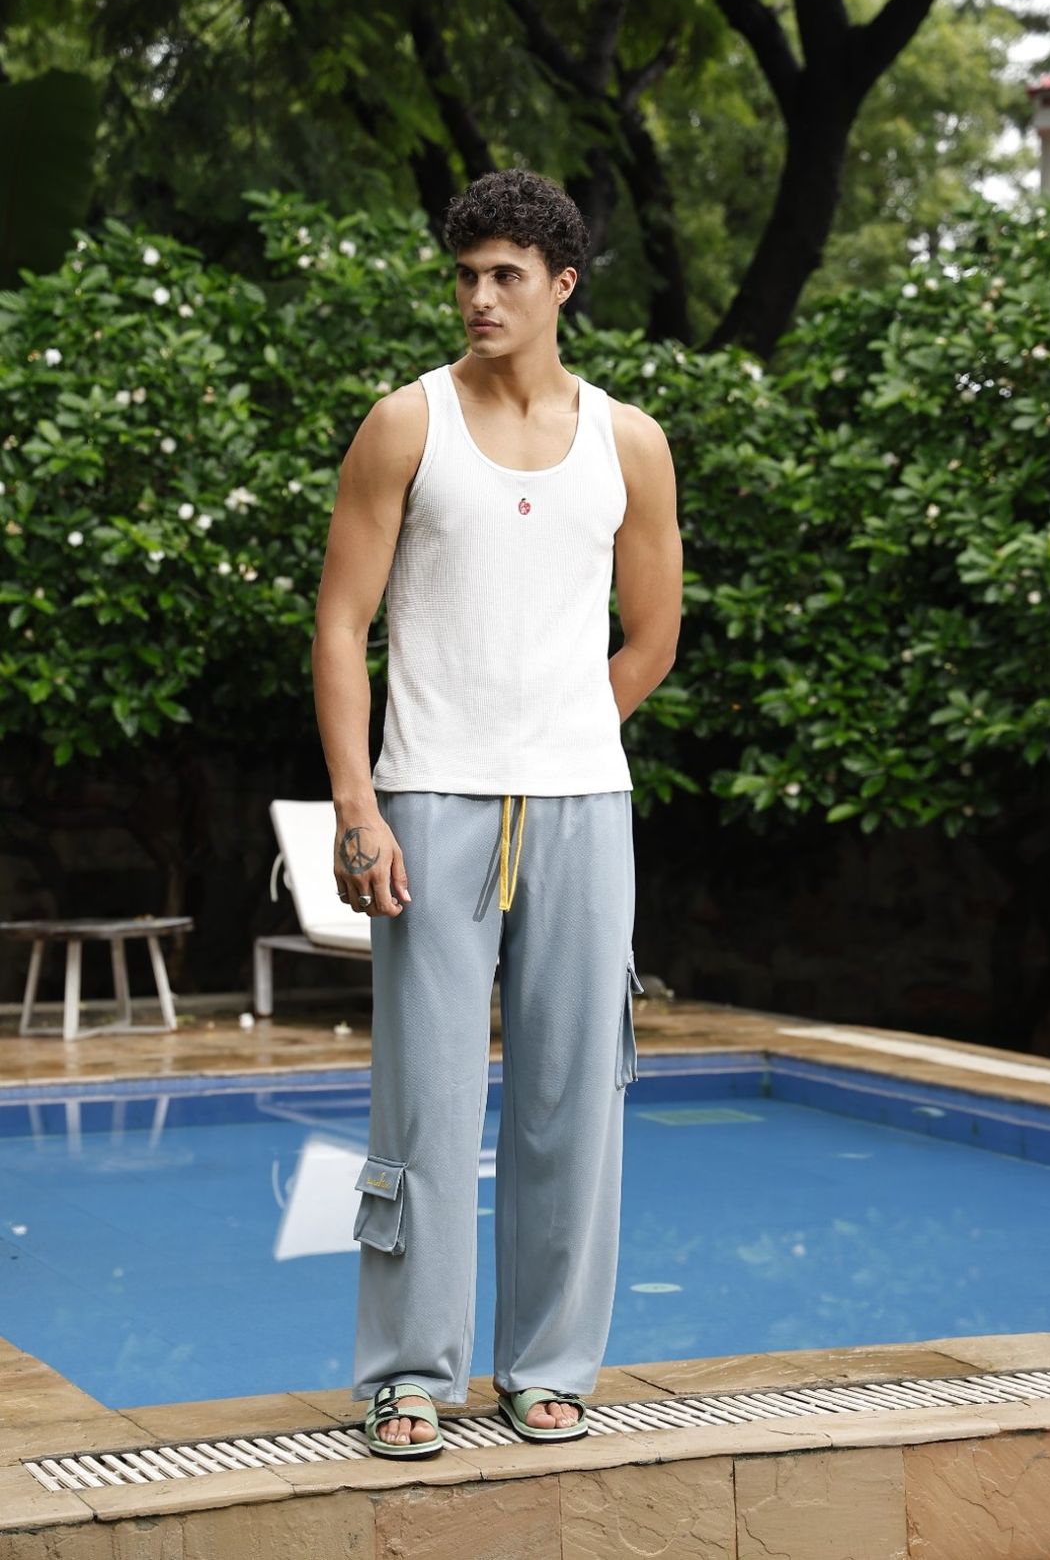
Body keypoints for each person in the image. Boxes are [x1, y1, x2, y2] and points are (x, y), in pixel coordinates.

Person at [311, 167, 682, 1458]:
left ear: (562, 284)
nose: (478, 297)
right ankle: (410, 1369)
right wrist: (361, 803)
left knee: (577, 1093)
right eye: (465, 274)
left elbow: (654, 635)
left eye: (505, 276)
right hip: (428, 797)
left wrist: (568, 731)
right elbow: (343, 620)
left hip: (584, 803)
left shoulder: (629, 441)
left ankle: (550, 1364)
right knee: (425, 1097)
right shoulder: (404, 427)